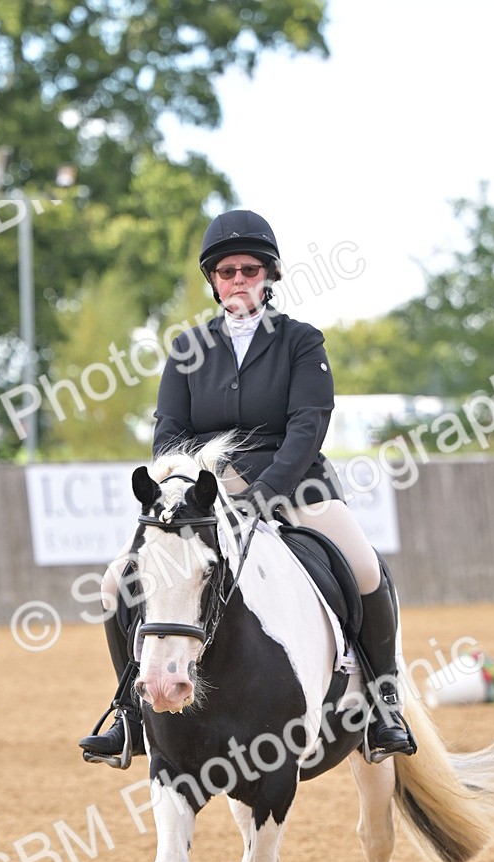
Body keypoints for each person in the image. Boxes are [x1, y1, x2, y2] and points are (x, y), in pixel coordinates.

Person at [79, 209, 416, 768]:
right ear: (213, 279)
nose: (239, 279)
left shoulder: (301, 342)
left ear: (270, 275)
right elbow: (169, 432)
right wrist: (189, 492)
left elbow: (309, 423)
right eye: (228, 270)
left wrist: (265, 493)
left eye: (250, 269)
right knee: (117, 582)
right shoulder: (187, 348)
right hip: (203, 500)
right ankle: (131, 717)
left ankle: (384, 706)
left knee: (362, 567)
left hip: (295, 486)